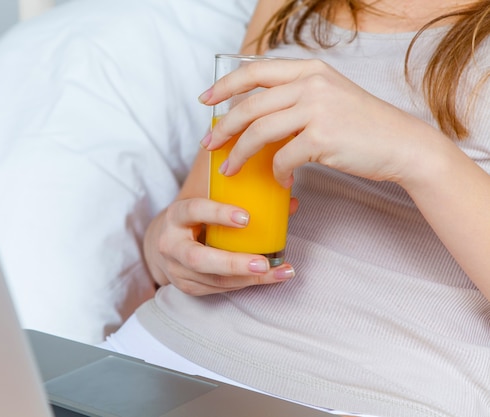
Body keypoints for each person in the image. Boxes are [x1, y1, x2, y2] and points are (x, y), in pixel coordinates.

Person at [101, 0, 490, 415]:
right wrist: (175, 250)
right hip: (157, 354)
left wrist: (418, 155)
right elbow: (181, 227)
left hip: (380, 395)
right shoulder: (287, 4)